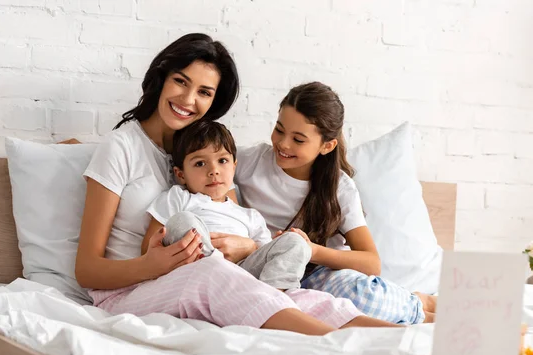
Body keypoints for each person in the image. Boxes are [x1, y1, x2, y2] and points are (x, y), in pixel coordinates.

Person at [74, 33, 400, 335]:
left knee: (284, 289)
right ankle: (328, 339)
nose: (188, 99)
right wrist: (148, 265)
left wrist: (250, 248)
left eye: (204, 92)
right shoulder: (121, 148)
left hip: (203, 276)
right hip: (127, 294)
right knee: (213, 274)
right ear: (161, 78)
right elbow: (87, 271)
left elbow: (236, 226)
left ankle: (390, 338)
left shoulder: (209, 156)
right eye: (180, 81)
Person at [230, 82, 437, 324]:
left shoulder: (340, 187)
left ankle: (421, 304)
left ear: (326, 146)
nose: (283, 144)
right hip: (272, 273)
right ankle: (417, 305)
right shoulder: (249, 162)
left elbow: (371, 262)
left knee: (362, 297)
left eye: (298, 139)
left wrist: (312, 250)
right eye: (279, 129)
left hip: (321, 274)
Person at [142, 119, 311, 290]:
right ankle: (217, 277)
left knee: (295, 241)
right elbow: (149, 247)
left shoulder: (250, 216)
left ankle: (273, 296)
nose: (213, 170)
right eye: (200, 163)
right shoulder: (178, 197)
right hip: (200, 274)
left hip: (244, 274)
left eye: (222, 161)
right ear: (181, 174)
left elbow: (266, 254)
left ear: (234, 166)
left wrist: (250, 248)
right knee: (182, 220)